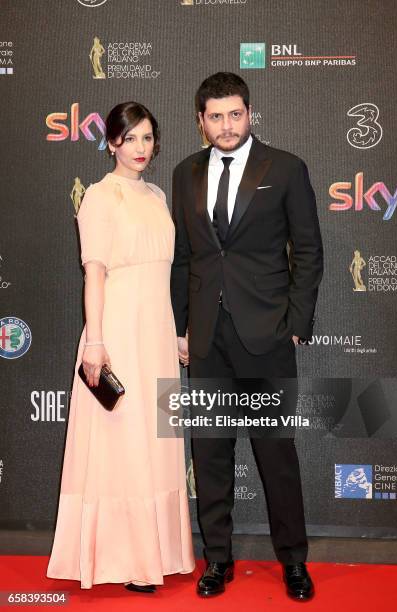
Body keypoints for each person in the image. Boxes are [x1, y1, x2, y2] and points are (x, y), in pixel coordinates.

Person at [170, 73, 323, 600]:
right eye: (215, 116)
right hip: (208, 339)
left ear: (249, 114)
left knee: (276, 456)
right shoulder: (185, 173)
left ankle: (294, 562)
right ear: (201, 121)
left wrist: (297, 325)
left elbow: (308, 251)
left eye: (235, 114)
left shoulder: (284, 168)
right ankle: (217, 560)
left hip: (267, 336)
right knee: (209, 454)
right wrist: (181, 328)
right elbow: (186, 259)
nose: (226, 125)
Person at [47, 102, 195, 592]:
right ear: (111, 143)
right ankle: (127, 559)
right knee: (124, 443)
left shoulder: (155, 193)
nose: (140, 148)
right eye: (129, 138)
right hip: (116, 332)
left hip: (155, 330)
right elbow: (94, 274)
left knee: (156, 441)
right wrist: (96, 340)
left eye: (148, 138)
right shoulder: (99, 197)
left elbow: (165, 272)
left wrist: (176, 331)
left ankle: (156, 553)